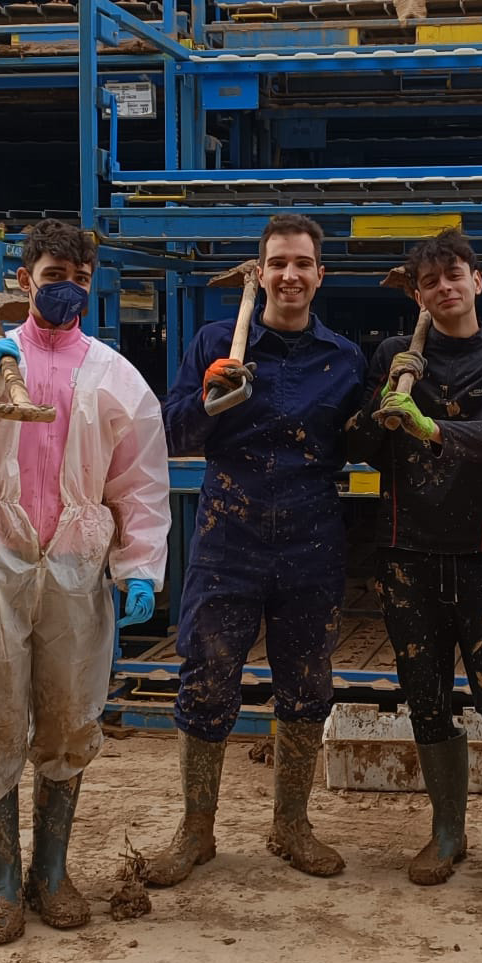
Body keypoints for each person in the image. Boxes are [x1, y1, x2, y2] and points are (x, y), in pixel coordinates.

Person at [0, 221, 170, 945]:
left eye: (80, 277)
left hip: (76, 560)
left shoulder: (116, 377)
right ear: (24, 280)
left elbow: (140, 482)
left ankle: (52, 870)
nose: (67, 288)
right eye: (54, 275)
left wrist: (140, 566)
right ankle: (1, 879)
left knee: (70, 714)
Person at [146, 213, 367, 885]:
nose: (289, 275)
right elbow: (171, 435)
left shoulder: (345, 359)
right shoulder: (218, 342)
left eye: (301, 263)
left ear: (320, 275)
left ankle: (291, 826)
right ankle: (195, 831)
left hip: (311, 539)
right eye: (277, 263)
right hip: (228, 535)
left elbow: (357, 448)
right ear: (261, 272)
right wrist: (209, 401)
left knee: (307, 683)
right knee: (207, 679)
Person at [349, 229, 482, 906]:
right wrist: (386, 395)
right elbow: (364, 447)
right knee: (426, 699)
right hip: (406, 556)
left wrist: (429, 426)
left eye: (453, 275)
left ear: (476, 281)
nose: (444, 288)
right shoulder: (395, 355)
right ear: (418, 294)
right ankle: (447, 831)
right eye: (429, 281)